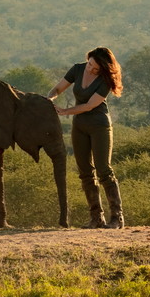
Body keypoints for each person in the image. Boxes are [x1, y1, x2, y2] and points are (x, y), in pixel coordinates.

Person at [47, 47, 125, 228]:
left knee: (103, 169)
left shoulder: (106, 80)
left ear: (104, 69)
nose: (91, 69)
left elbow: (90, 105)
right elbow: (58, 88)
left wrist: (65, 112)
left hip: (99, 125)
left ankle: (117, 217)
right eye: (90, 65)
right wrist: (49, 100)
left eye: (95, 68)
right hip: (79, 126)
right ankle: (96, 218)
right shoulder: (78, 69)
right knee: (85, 172)